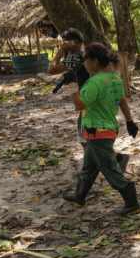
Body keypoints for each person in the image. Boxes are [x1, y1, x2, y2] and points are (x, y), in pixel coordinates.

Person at [63, 42, 140, 215]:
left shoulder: (95, 82)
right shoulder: (115, 78)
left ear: (95, 61)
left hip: (97, 131)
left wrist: (72, 87)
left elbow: (80, 105)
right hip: (108, 129)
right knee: (89, 167)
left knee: (110, 170)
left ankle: (131, 201)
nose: (84, 64)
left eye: (86, 60)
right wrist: (129, 121)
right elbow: (122, 100)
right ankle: (79, 195)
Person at [49, 28, 133, 171]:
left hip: (89, 101)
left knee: (86, 138)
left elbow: (51, 69)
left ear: (74, 42)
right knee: (88, 138)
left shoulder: (78, 57)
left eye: (65, 42)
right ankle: (102, 163)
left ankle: (112, 161)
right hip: (98, 100)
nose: (63, 44)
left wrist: (59, 52)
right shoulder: (87, 56)